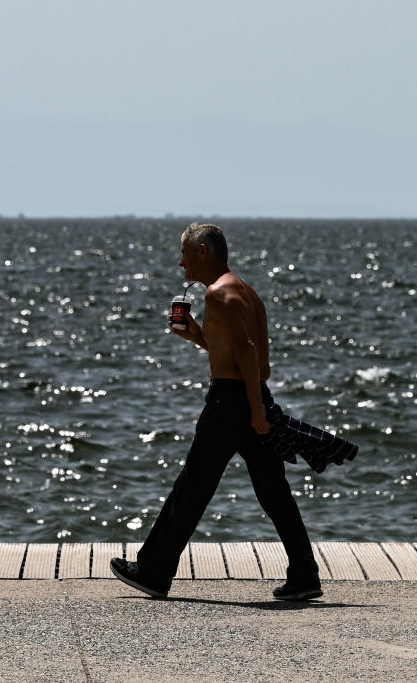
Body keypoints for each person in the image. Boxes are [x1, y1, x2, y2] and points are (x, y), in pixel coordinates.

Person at [110, 223, 322, 601]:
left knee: (192, 486)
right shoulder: (248, 293)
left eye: (185, 253)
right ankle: (305, 574)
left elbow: (245, 350)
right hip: (250, 395)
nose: (181, 262)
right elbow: (253, 359)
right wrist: (196, 336)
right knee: (274, 491)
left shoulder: (217, 294)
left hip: (230, 403)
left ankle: (153, 572)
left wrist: (256, 412)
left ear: (203, 252)